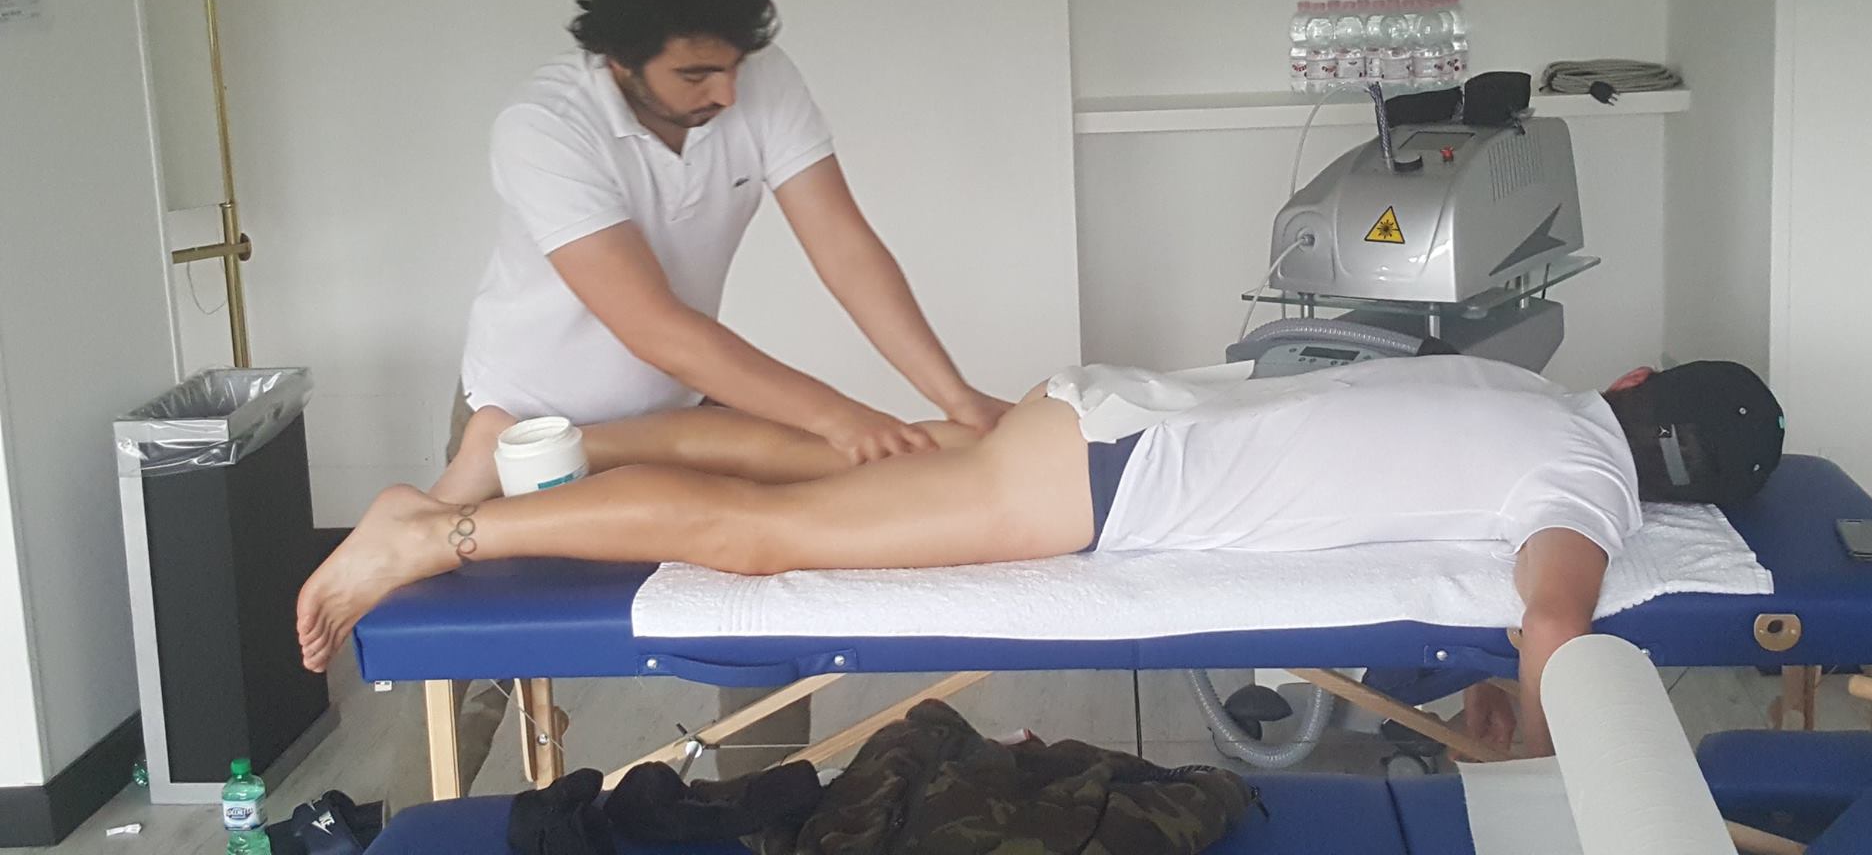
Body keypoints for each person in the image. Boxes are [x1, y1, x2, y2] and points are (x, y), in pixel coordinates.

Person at [307, 354, 1784, 757]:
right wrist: (1533, 744)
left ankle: (560, 445)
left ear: (1638, 381)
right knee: (770, 545)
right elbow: (1556, 624)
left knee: (831, 470)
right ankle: (439, 528)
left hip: (1111, 414)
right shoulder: (1591, 483)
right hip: (1104, 486)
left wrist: (1493, 688)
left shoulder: (1537, 391)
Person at [407, 0, 1009, 801]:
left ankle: (765, 809)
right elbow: (653, 324)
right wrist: (840, 417)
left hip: (678, 411)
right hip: (523, 424)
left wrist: (957, 397)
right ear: (620, 58)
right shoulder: (544, 126)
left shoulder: (753, 79)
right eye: (695, 73)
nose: (725, 92)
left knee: (767, 611)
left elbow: (845, 248)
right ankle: (401, 825)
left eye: (732, 66)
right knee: (472, 664)